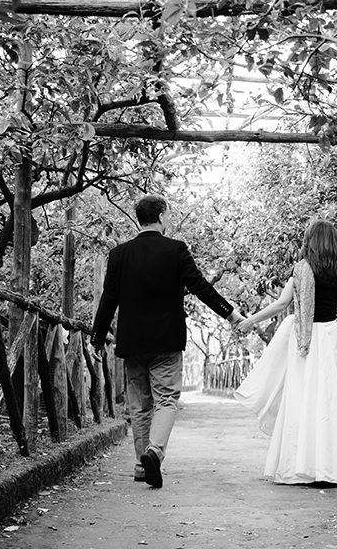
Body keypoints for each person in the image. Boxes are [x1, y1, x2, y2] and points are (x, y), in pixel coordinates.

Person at [91, 195, 244, 488]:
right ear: (161, 216)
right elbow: (200, 286)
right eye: (169, 215)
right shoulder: (176, 250)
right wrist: (230, 313)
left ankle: (140, 465)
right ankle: (154, 451)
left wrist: (97, 338)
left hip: (132, 342)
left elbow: (108, 299)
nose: (170, 220)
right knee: (166, 400)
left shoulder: (119, 254)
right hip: (166, 340)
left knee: (139, 404)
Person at [234, 220, 337, 485]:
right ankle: (333, 466)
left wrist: (251, 321)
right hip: (329, 336)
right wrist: (329, 333)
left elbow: (282, 303)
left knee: (302, 398)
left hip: (303, 339)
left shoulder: (301, 269)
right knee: (330, 400)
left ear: (311, 241)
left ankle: (302, 465)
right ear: (333, 243)